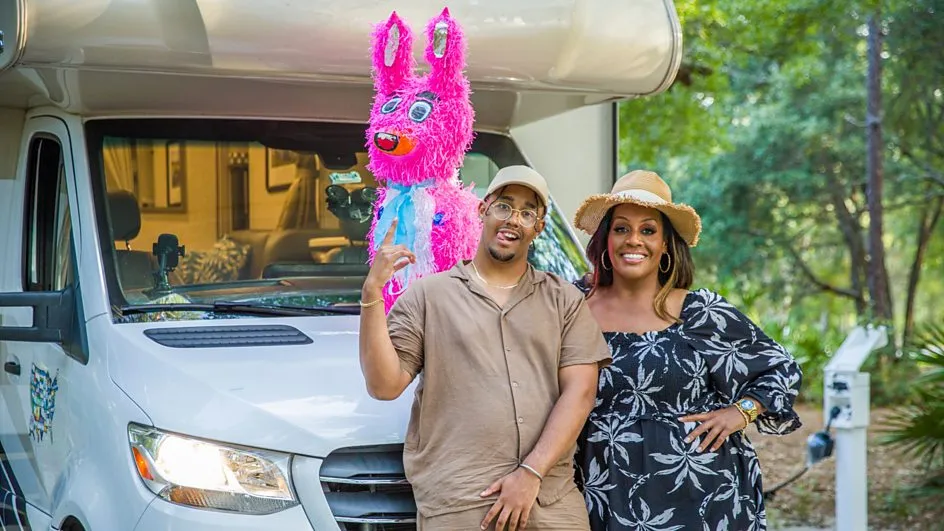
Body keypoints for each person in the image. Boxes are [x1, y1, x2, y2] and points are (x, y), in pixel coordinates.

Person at [359, 165, 612, 531]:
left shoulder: (564, 299)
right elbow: (384, 386)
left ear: (538, 228)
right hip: (460, 503)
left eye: (528, 212)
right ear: (483, 209)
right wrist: (371, 296)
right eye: (504, 206)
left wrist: (530, 472)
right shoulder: (429, 296)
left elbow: (581, 391)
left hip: (549, 499)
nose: (513, 219)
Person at [571, 170, 803, 531]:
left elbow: (782, 369)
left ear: (665, 244)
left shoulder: (698, 313)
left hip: (702, 497)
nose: (634, 240)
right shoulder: (572, 306)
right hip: (601, 495)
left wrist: (740, 413)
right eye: (621, 228)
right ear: (605, 239)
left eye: (648, 230)